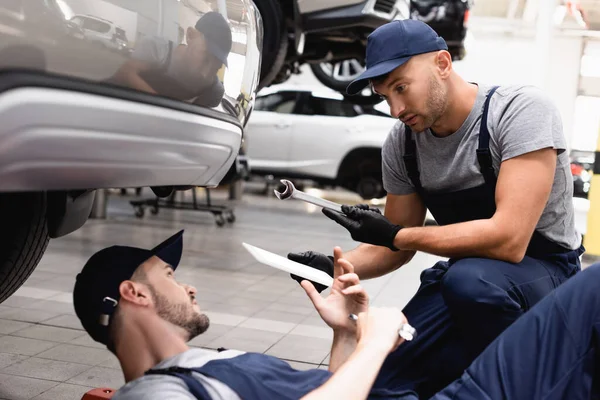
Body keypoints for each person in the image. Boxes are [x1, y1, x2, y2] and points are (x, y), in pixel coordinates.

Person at [287, 19, 585, 398]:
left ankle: (532, 381)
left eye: (401, 87)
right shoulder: (403, 144)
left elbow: (510, 240)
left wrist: (396, 234)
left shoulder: (519, 112)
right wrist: (336, 268)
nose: (395, 108)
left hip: (544, 271)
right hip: (469, 277)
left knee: (470, 283)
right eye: (384, 96)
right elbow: (393, 248)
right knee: (378, 378)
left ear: (443, 64)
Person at [73, 230, 600, 399]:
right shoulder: (153, 394)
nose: (187, 284)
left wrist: (345, 334)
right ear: (133, 294)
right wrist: (376, 342)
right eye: (167, 276)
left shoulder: (199, 366)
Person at [109, 12, 231, 108]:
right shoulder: (157, 50)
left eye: (216, 67)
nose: (205, 74)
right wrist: (163, 110)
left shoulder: (213, 92)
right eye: (205, 59)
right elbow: (124, 72)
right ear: (190, 36)